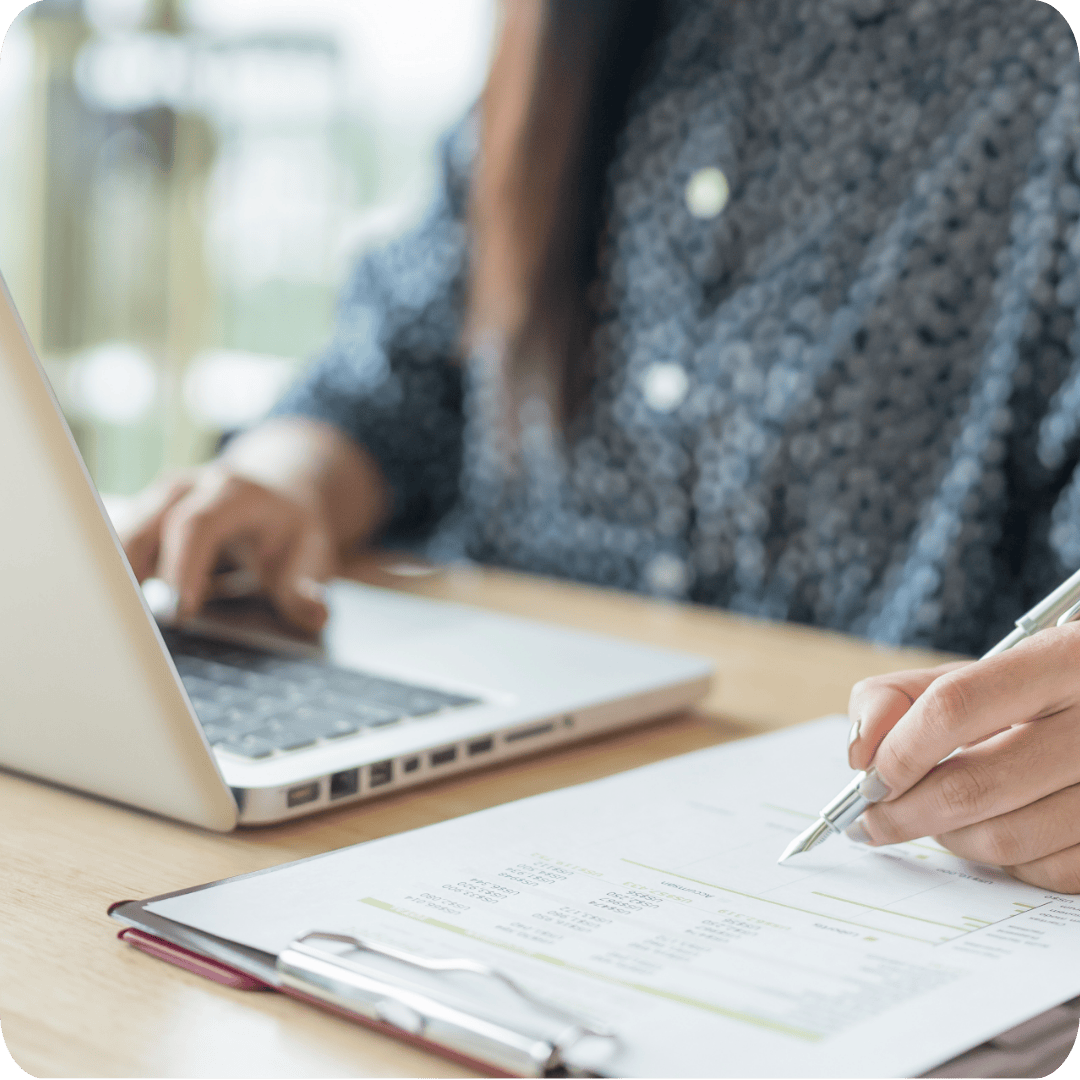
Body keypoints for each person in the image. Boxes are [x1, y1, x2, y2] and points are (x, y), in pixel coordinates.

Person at [121, 0, 1080, 890]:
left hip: (893, 832)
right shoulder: (570, 36)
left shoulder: (1041, 65)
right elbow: (395, 378)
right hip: (478, 764)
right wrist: (284, 480)